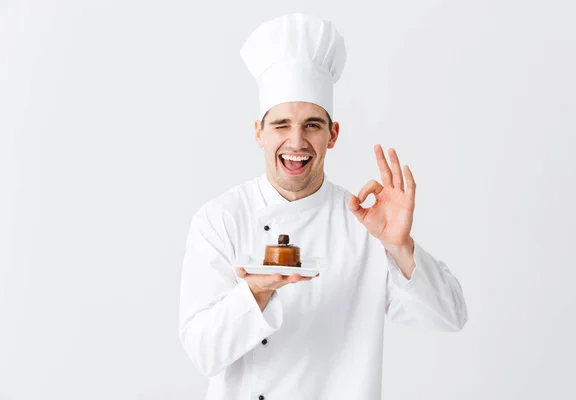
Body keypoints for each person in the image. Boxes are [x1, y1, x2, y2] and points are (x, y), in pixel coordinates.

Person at [178, 13, 467, 400]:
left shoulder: (364, 225)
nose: (296, 142)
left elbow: (450, 317)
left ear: (332, 135)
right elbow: (202, 353)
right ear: (258, 133)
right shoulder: (220, 220)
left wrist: (400, 245)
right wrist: (256, 294)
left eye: (312, 125)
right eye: (281, 125)